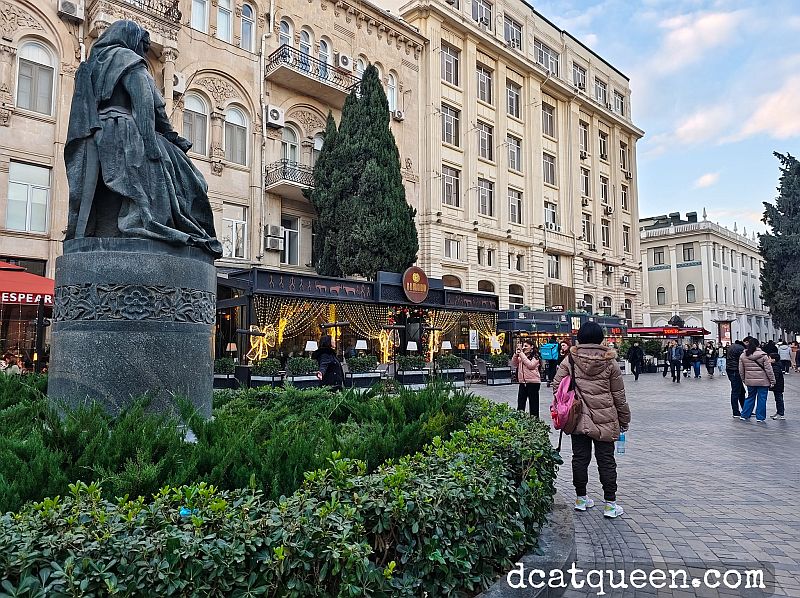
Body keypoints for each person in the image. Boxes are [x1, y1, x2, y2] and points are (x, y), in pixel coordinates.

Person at [64, 20, 222, 256]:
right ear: (132, 40)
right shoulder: (129, 61)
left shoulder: (90, 65)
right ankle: (172, 225)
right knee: (192, 179)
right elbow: (147, 105)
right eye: (142, 46)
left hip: (95, 134)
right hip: (127, 132)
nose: (142, 52)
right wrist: (154, 144)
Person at [553, 322, 631, 519]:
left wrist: (572, 401)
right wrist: (624, 419)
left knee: (580, 458)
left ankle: (581, 499)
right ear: (600, 339)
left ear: (579, 338)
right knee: (606, 460)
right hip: (606, 418)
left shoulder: (570, 360)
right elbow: (619, 395)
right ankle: (610, 504)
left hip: (578, 418)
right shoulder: (610, 362)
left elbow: (557, 386)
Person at [738, 338, 776, 423]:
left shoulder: (743, 355)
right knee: (762, 399)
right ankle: (760, 417)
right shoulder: (763, 355)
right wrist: (772, 380)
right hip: (763, 381)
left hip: (750, 381)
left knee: (750, 397)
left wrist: (744, 379)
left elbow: (741, 370)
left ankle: (744, 415)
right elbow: (769, 370)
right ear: (758, 345)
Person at [512, 341, 541, 417]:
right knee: (521, 403)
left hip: (533, 383)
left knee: (533, 404)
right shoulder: (522, 356)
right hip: (522, 382)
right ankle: (520, 419)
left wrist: (521, 354)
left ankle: (535, 422)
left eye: (526, 346)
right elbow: (514, 364)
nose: (524, 347)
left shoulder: (536, 356)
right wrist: (516, 354)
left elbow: (531, 365)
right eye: (523, 346)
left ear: (532, 346)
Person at [726, 340, 746, 417]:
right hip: (736, 370)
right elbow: (743, 359)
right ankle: (736, 412)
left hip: (730, 369)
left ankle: (744, 409)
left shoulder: (732, 346)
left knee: (741, 391)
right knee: (736, 391)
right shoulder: (740, 348)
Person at [768, 352, 786, 420]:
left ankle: (781, 414)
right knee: (778, 399)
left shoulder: (775, 367)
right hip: (778, 386)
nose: (768, 359)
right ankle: (779, 412)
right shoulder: (776, 366)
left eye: (769, 358)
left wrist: (772, 383)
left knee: (779, 399)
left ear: (774, 359)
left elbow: (775, 376)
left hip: (778, 386)